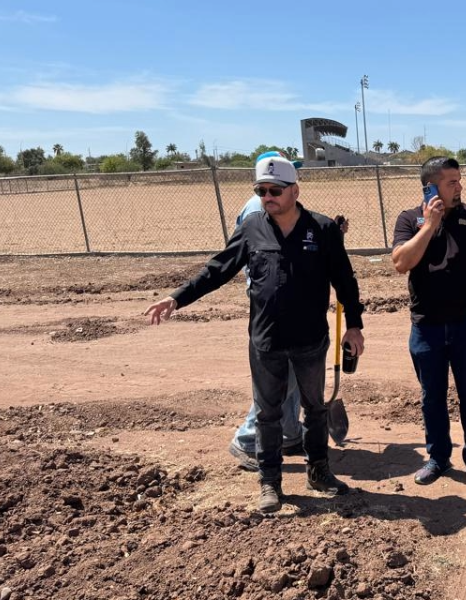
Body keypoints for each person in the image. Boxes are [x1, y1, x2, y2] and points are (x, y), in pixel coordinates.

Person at [144, 155, 365, 513]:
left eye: (274, 190)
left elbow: (345, 281)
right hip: (266, 341)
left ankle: (319, 472)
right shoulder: (251, 229)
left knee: (315, 408)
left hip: (310, 340)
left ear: (294, 190)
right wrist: (177, 297)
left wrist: (354, 325)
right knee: (268, 414)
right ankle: (270, 483)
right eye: (261, 190)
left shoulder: (322, 230)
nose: (267, 196)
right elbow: (216, 270)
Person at [227, 151, 350, 471]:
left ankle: (291, 434)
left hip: (297, 310)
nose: (271, 193)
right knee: (280, 382)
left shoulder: (292, 212)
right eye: (266, 188)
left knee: (296, 375)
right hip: (272, 311)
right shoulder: (258, 210)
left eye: (280, 185)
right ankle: (249, 439)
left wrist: (330, 238)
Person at [391, 157, 466, 486]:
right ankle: (438, 458)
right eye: (451, 182)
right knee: (432, 396)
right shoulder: (409, 219)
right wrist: (429, 225)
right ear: (430, 187)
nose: (459, 187)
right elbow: (401, 263)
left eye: (459, 181)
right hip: (426, 326)